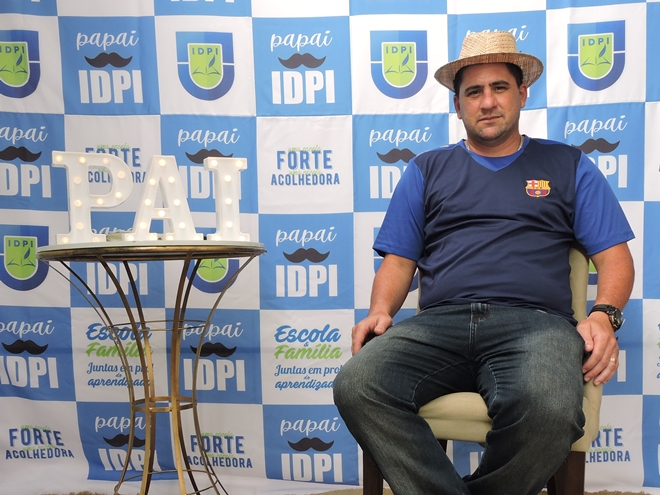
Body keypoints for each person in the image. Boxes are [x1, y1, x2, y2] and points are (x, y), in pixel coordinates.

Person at [333, 31, 635, 495]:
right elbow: (398, 261)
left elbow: (615, 258)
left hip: (536, 326)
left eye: (499, 88)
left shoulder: (568, 165)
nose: (488, 102)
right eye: (474, 92)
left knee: (552, 409)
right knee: (358, 385)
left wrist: (604, 314)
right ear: (458, 105)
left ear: (522, 94)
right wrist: (380, 310)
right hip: (439, 326)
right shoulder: (426, 169)